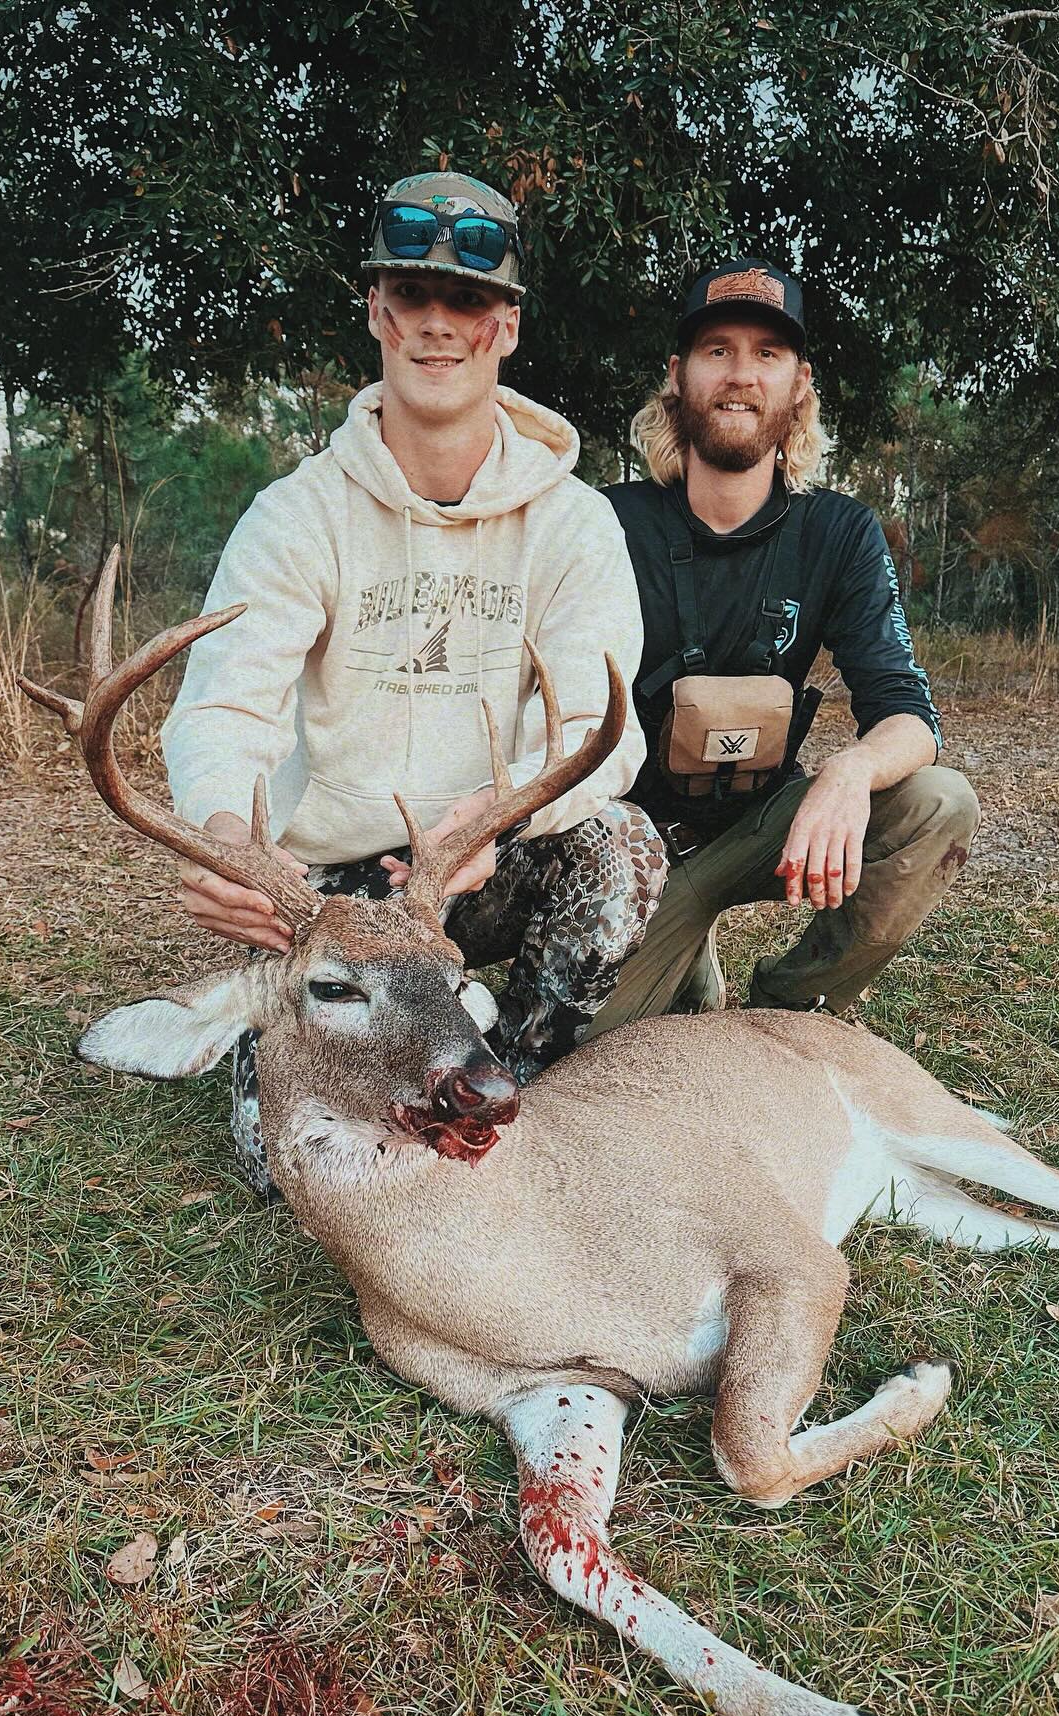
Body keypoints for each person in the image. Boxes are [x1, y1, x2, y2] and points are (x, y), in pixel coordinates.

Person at [160, 172, 665, 1193]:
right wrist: (229, 840)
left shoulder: (573, 524)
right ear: (377, 313)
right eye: (413, 295)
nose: (438, 324)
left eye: (467, 301)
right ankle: (387, 1069)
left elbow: (596, 727)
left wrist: (494, 821)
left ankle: (517, 1073)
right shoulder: (297, 515)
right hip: (331, 898)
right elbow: (224, 703)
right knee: (281, 1169)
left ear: (504, 327)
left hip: (481, 865)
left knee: (620, 845)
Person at [589, 259, 978, 1034]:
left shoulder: (840, 531)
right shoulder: (604, 522)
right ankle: (681, 963)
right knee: (583, 1054)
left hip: (764, 826)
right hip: (633, 848)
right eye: (718, 350)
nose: (741, 374)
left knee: (938, 802)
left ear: (799, 384)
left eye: (766, 353)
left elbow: (910, 715)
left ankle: (791, 1011)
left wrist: (849, 771)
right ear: (678, 376)